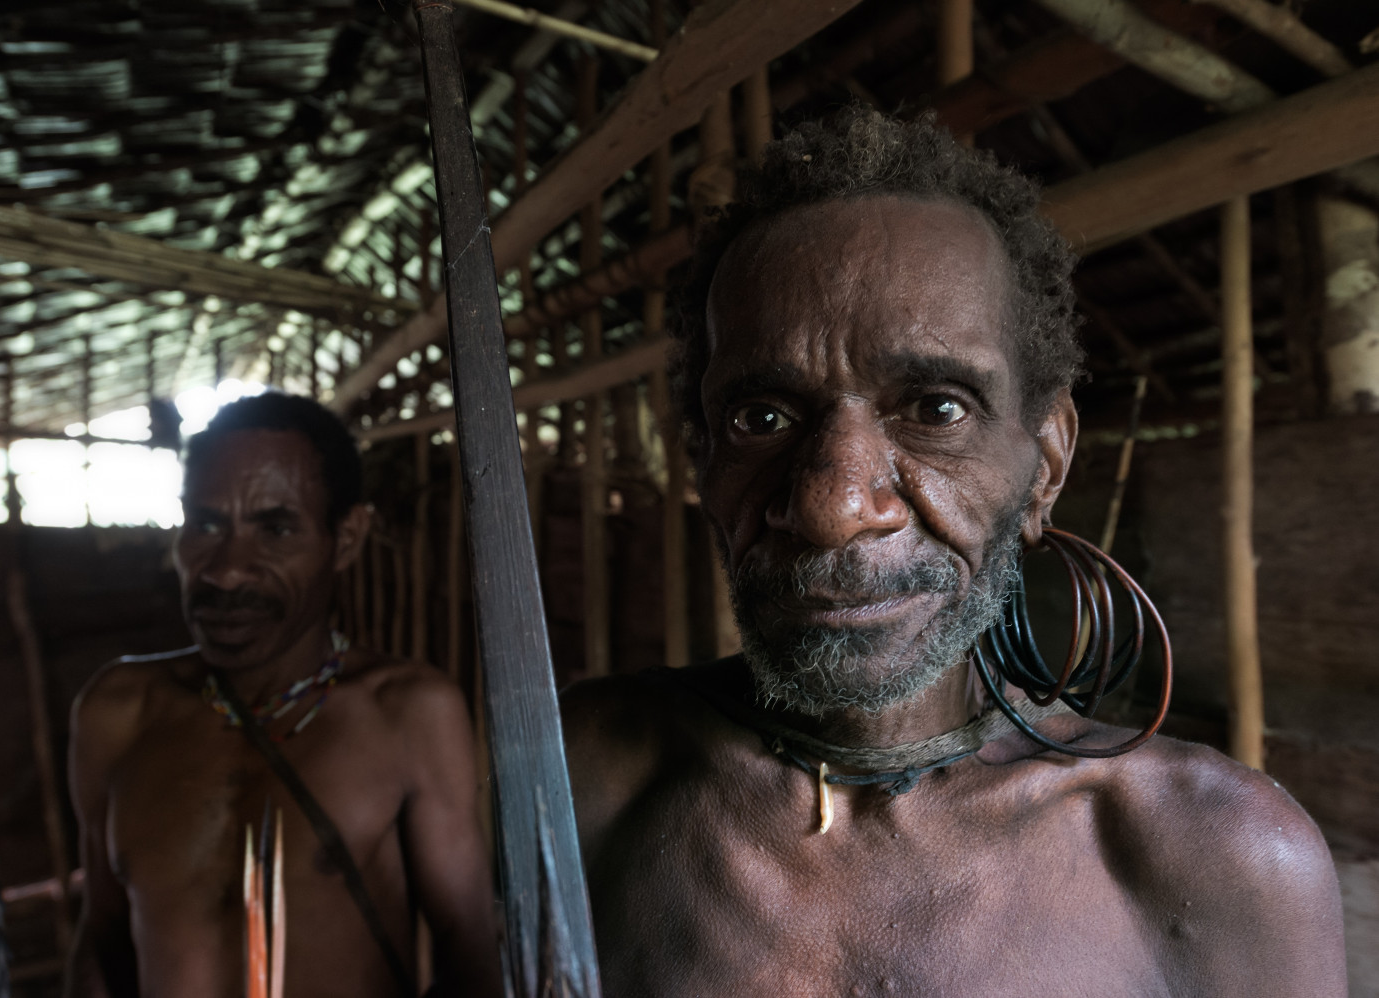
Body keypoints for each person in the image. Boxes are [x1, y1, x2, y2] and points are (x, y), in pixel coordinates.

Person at [562, 108, 1346, 996]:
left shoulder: (1215, 859)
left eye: (936, 408)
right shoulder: (584, 773)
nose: (832, 507)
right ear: (700, 460)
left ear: (1044, 463)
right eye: (762, 418)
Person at [66, 393, 502, 997]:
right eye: (207, 524)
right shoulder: (118, 713)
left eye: (275, 528)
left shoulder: (405, 715)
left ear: (346, 539)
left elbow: (471, 953)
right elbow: (103, 938)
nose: (226, 570)